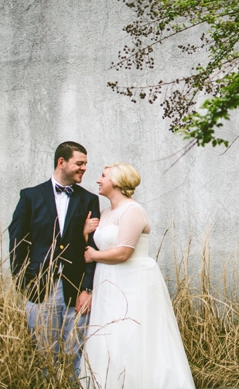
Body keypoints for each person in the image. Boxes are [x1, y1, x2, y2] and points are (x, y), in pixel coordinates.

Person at [79, 162, 195, 389]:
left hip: (133, 283)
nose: (98, 180)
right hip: (107, 282)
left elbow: (123, 252)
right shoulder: (105, 212)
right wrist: (85, 234)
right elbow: (92, 249)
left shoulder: (133, 210)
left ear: (117, 182)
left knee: (132, 336)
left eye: (103, 176)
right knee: (108, 336)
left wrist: (94, 256)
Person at [8, 141, 101, 372]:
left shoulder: (89, 200)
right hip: (39, 287)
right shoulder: (30, 196)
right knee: (45, 354)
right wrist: (24, 282)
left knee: (76, 354)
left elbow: (94, 247)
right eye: (79, 163)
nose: (84, 168)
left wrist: (87, 289)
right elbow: (17, 241)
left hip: (76, 288)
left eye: (85, 164)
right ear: (62, 162)